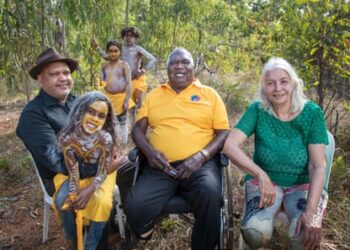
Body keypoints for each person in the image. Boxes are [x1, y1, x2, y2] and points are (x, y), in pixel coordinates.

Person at [16, 48, 122, 248]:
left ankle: (117, 220)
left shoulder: (78, 101)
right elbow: (57, 160)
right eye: (54, 74)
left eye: (65, 73)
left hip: (94, 162)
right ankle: (82, 240)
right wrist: (104, 167)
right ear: (40, 80)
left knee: (132, 166)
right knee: (82, 200)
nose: (63, 78)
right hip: (63, 175)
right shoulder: (33, 115)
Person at [125, 47, 229, 250]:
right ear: (167, 69)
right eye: (174, 63)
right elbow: (138, 130)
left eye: (185, 62)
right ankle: (145, 230)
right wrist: (149, 152)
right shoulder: (154, 95)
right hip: (160, 166)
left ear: (193, 68)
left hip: (201, 166)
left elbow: (223, 132)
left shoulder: (209, 95)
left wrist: (201, 155)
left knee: (210, 193)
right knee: (135, 207)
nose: (179, 66)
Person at [223, 57, 329, 249]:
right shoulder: (258, 110)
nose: (277, 88)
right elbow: (229, 146)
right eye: (270, 83)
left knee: (304, 237)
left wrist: (312, 213)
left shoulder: (312, 113)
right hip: (265, 184)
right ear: (264, 87)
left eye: (283, 81)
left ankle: (292, 210)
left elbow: (317, 166)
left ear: (294, 84)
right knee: (255, 234)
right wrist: (260, 174)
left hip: (301, 185)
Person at [55, 91, 119, 250]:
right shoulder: (66, 137)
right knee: (64, 201)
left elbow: (104, 169)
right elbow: (73, 168)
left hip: (102, 173)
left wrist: (91, 189)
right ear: (79, 111)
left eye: (101, 115)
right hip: (76, 174)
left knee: (102, 203)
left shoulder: (105, 139)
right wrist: (73, 190)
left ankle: (91, 244)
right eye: (90, 111)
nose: (95, 119)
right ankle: (74, 239)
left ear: (106, 120)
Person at [91, 26, 157, 124]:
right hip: (124, 81)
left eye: (131, 36)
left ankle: (140, 123)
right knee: (127, 104)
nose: (129, 38)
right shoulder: (120, 50)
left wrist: (142, 71)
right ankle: (127, 125)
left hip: (136, 79)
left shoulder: (138, 49)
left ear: (135, 38)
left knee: (138, 100)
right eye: (126, 35)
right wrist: (97, 48)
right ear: (123, 37)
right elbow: (107, 57)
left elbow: (153, 59)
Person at [98, 40, 133, 145]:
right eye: (110, 51)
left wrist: (126, 100)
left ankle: (122, 144)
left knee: (122, 122)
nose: (113, 53)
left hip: (121, 98)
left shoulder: (124, 65)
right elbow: (101, 81)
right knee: (108, 121)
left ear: (120, 52)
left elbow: (128, 83)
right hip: (108, 97)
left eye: (115, 51)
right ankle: (110, 143)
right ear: (107, 52)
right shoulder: (104, 66)